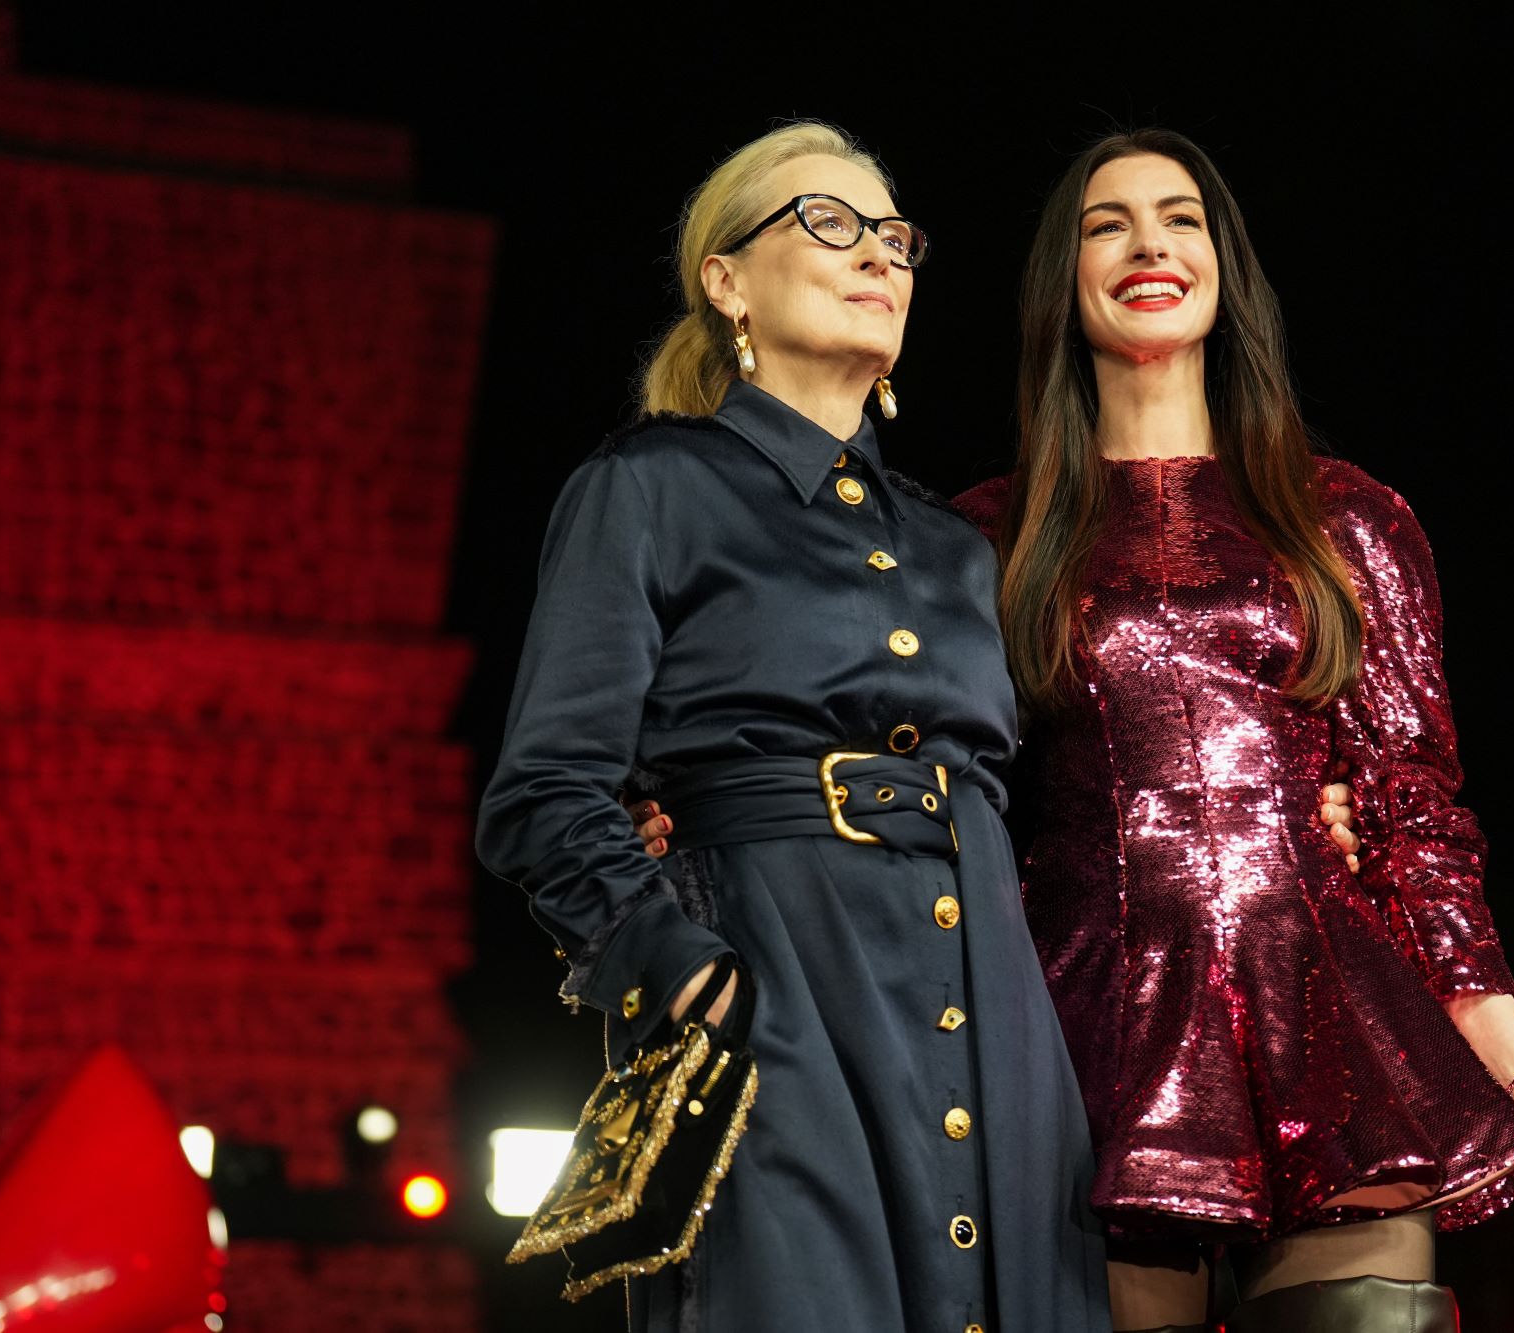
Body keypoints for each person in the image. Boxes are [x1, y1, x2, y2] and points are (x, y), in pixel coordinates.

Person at [947, 129, 1514, 1332]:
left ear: (1225, 268)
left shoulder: (1343, 517)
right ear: (1060, 279)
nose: (1149, 245)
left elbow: (1418, 839)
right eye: (1107, 225)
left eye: (1180, 219)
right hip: (1084, 1060)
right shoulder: (980, 542)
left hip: (1335, 1045)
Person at [476, 122, 1112, 1333]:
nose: (876, 253)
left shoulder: (958, 547)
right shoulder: (649, 487)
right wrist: (685, 972)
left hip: (995, 1018)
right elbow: (543, 792)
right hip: (778, 994)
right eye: (828, 222)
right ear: (727, 281)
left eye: (893, 237)